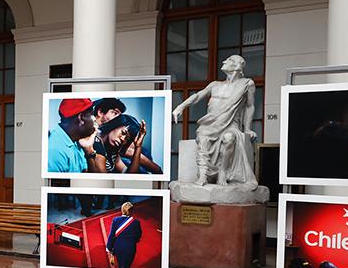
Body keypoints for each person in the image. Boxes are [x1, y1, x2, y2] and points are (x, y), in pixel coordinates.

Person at [171, 55, 257, 186]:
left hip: (230, 124)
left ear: (237, 65)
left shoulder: (246, 84)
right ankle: (203, 175)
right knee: (203, 138)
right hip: (210, 124)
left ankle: (223, 174)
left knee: (229, 138)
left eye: (228, 60)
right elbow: (198, 96)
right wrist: (180, 107)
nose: (223, 61)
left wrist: (247, 128)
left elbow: (250, 106)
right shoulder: (215, 85)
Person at [92, 114, 163, 175]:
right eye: (123, 132)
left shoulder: (113, 150)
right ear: (115, 125)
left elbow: (130, 176)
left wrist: (138, 146)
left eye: (127, 139)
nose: (123, 139)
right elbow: (103, 180)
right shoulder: (95, 141)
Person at [46, 98, 97, 173]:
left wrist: (89, 151)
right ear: (81, 118)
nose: (95, 119)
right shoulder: (55, 151)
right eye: (92, 114)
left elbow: (86, 174)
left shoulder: (76, 141)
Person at [105, 202, 143, 268]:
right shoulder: (136, 222)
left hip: (118, 247)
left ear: (122, 210)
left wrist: (109, 247)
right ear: (131, 211)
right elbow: (139, 235)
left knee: (121, 264)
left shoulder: (115, 220)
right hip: (130, 247)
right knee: (127, 265)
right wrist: (133, 241)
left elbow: (111, 235)